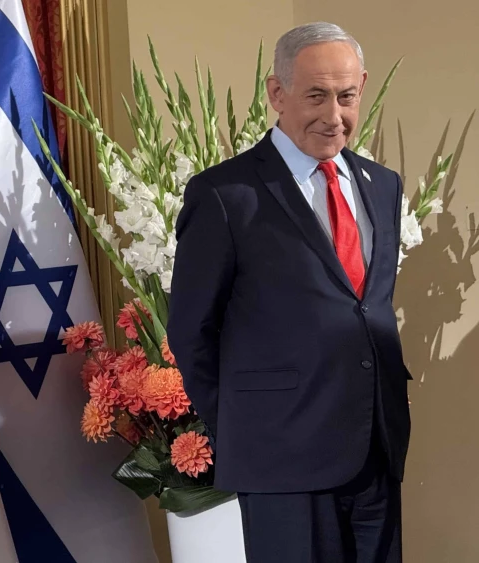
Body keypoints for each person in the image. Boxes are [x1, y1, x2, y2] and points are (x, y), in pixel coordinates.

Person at [167, 22, 409, 563]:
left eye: (346, 96)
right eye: (316, 96)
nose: (334, 115)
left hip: (377, 450)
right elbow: (190, 330)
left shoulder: (383, 185)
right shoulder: (224, 194)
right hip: (280, 457)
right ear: (277, 93)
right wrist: (246, 427)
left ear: (363, 88)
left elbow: (367, 307)